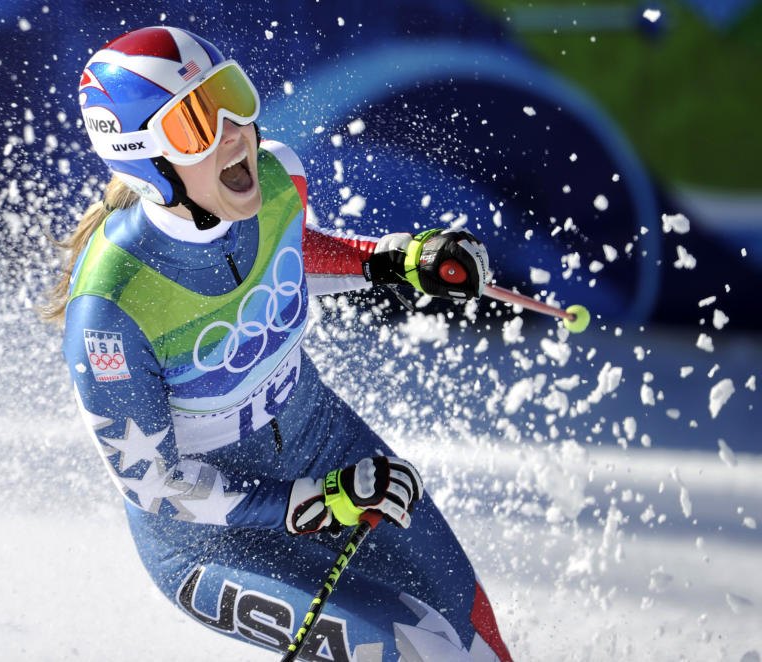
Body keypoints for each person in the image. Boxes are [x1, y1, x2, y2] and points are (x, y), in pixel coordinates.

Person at [46, 25, 513, 662]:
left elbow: (283, 255)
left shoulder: (275, 177)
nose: (235, 130)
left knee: (475, 637)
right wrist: (312, 502)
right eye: (197, 121)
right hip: (215, 541)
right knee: (417, 651)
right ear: (147, 160)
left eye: (232, 94)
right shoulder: (110, 305)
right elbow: (153, 483)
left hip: (328, 448)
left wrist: (390, 261)